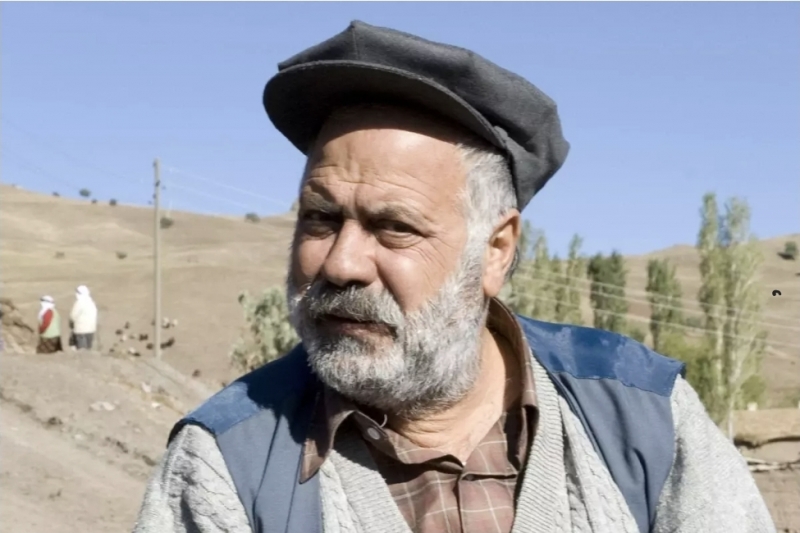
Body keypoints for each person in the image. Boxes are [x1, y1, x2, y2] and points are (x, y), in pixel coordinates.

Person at [133, 21, 774, 533]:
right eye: (320, 218)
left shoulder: (641, 417)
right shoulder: (229, 463)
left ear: (496, 251)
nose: (341, 263)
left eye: (394, 227)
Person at [69, 285, 97, 350]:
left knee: (81, 351)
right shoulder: (91, 302)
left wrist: (72, 324)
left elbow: (73, 316)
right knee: (88, 350)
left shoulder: (79, 302)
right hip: (91, 330)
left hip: (80, 330)